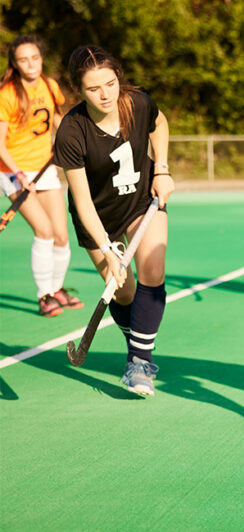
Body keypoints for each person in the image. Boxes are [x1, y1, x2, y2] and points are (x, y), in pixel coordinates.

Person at [53, 45, 174, 397]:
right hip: (97, 218)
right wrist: (107, 247)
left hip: (140, 201)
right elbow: (82, 199)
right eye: (93, 88)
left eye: (110, 83)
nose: (105, 94)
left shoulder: (137, 103)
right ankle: (136, 338)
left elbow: (160, 123)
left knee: (152, 271)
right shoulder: (72, 132)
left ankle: (139, 361)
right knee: (123, 292)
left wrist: (161, 167)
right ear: (80, 90)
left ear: (118, 77)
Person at [0, 35, 82, 317]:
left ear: (41, 58)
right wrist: (20, 174)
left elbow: (57, 119)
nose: (30, 64)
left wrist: (74, 138)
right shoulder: (7, 94)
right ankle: (44, 295)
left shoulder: (49, 85)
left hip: (45, 167)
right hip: (12, 172)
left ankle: (57, 288)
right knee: (44, 231)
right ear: (15, 63)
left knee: (61, 235)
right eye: (23, 59)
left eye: (34, 58)